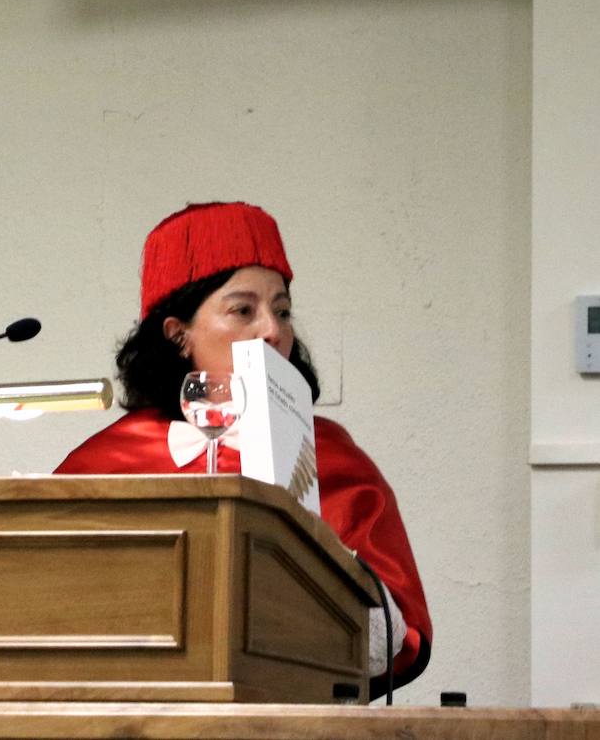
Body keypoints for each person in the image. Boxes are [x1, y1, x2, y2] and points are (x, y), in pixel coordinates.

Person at [55, 201, 432, 696]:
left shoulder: (332, 455)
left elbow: (397, 636)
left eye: (281, 311)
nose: (272, 332)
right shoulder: (104, 462)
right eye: (243, 310)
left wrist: (313, 557)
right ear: (178, 336)